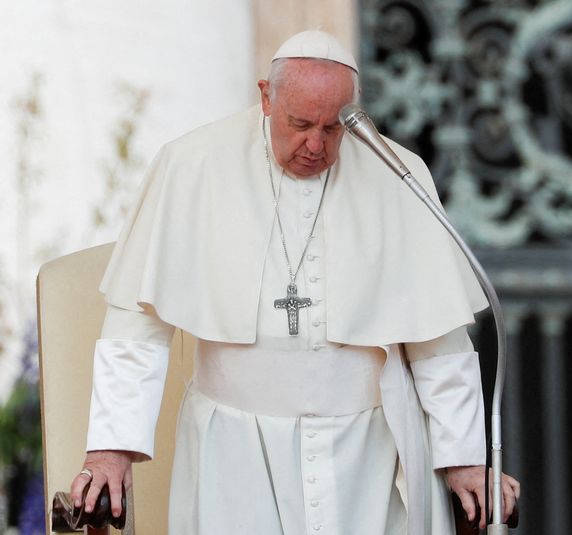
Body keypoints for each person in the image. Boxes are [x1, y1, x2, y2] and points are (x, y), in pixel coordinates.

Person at [70, 30, 520, 534]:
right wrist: (109, 450)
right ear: (266, 97)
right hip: (234, 453)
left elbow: (438, 336)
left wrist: (462, 457)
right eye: (300, 123)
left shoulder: (398, 173)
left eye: (334, 128)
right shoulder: (191, 165)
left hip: (368, 452)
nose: (315, 145)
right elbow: (137, 325)